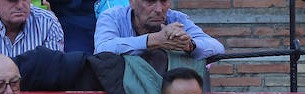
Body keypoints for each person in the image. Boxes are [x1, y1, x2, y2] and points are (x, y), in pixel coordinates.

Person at [93, 0, 223, 59]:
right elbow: (102, 49)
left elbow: (217, 47)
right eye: (150, 1)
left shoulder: (176, 18)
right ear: (132, 2)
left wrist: (189, 45)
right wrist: (153, 40)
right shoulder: (112, 16)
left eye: (164, 1)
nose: (159, 9)